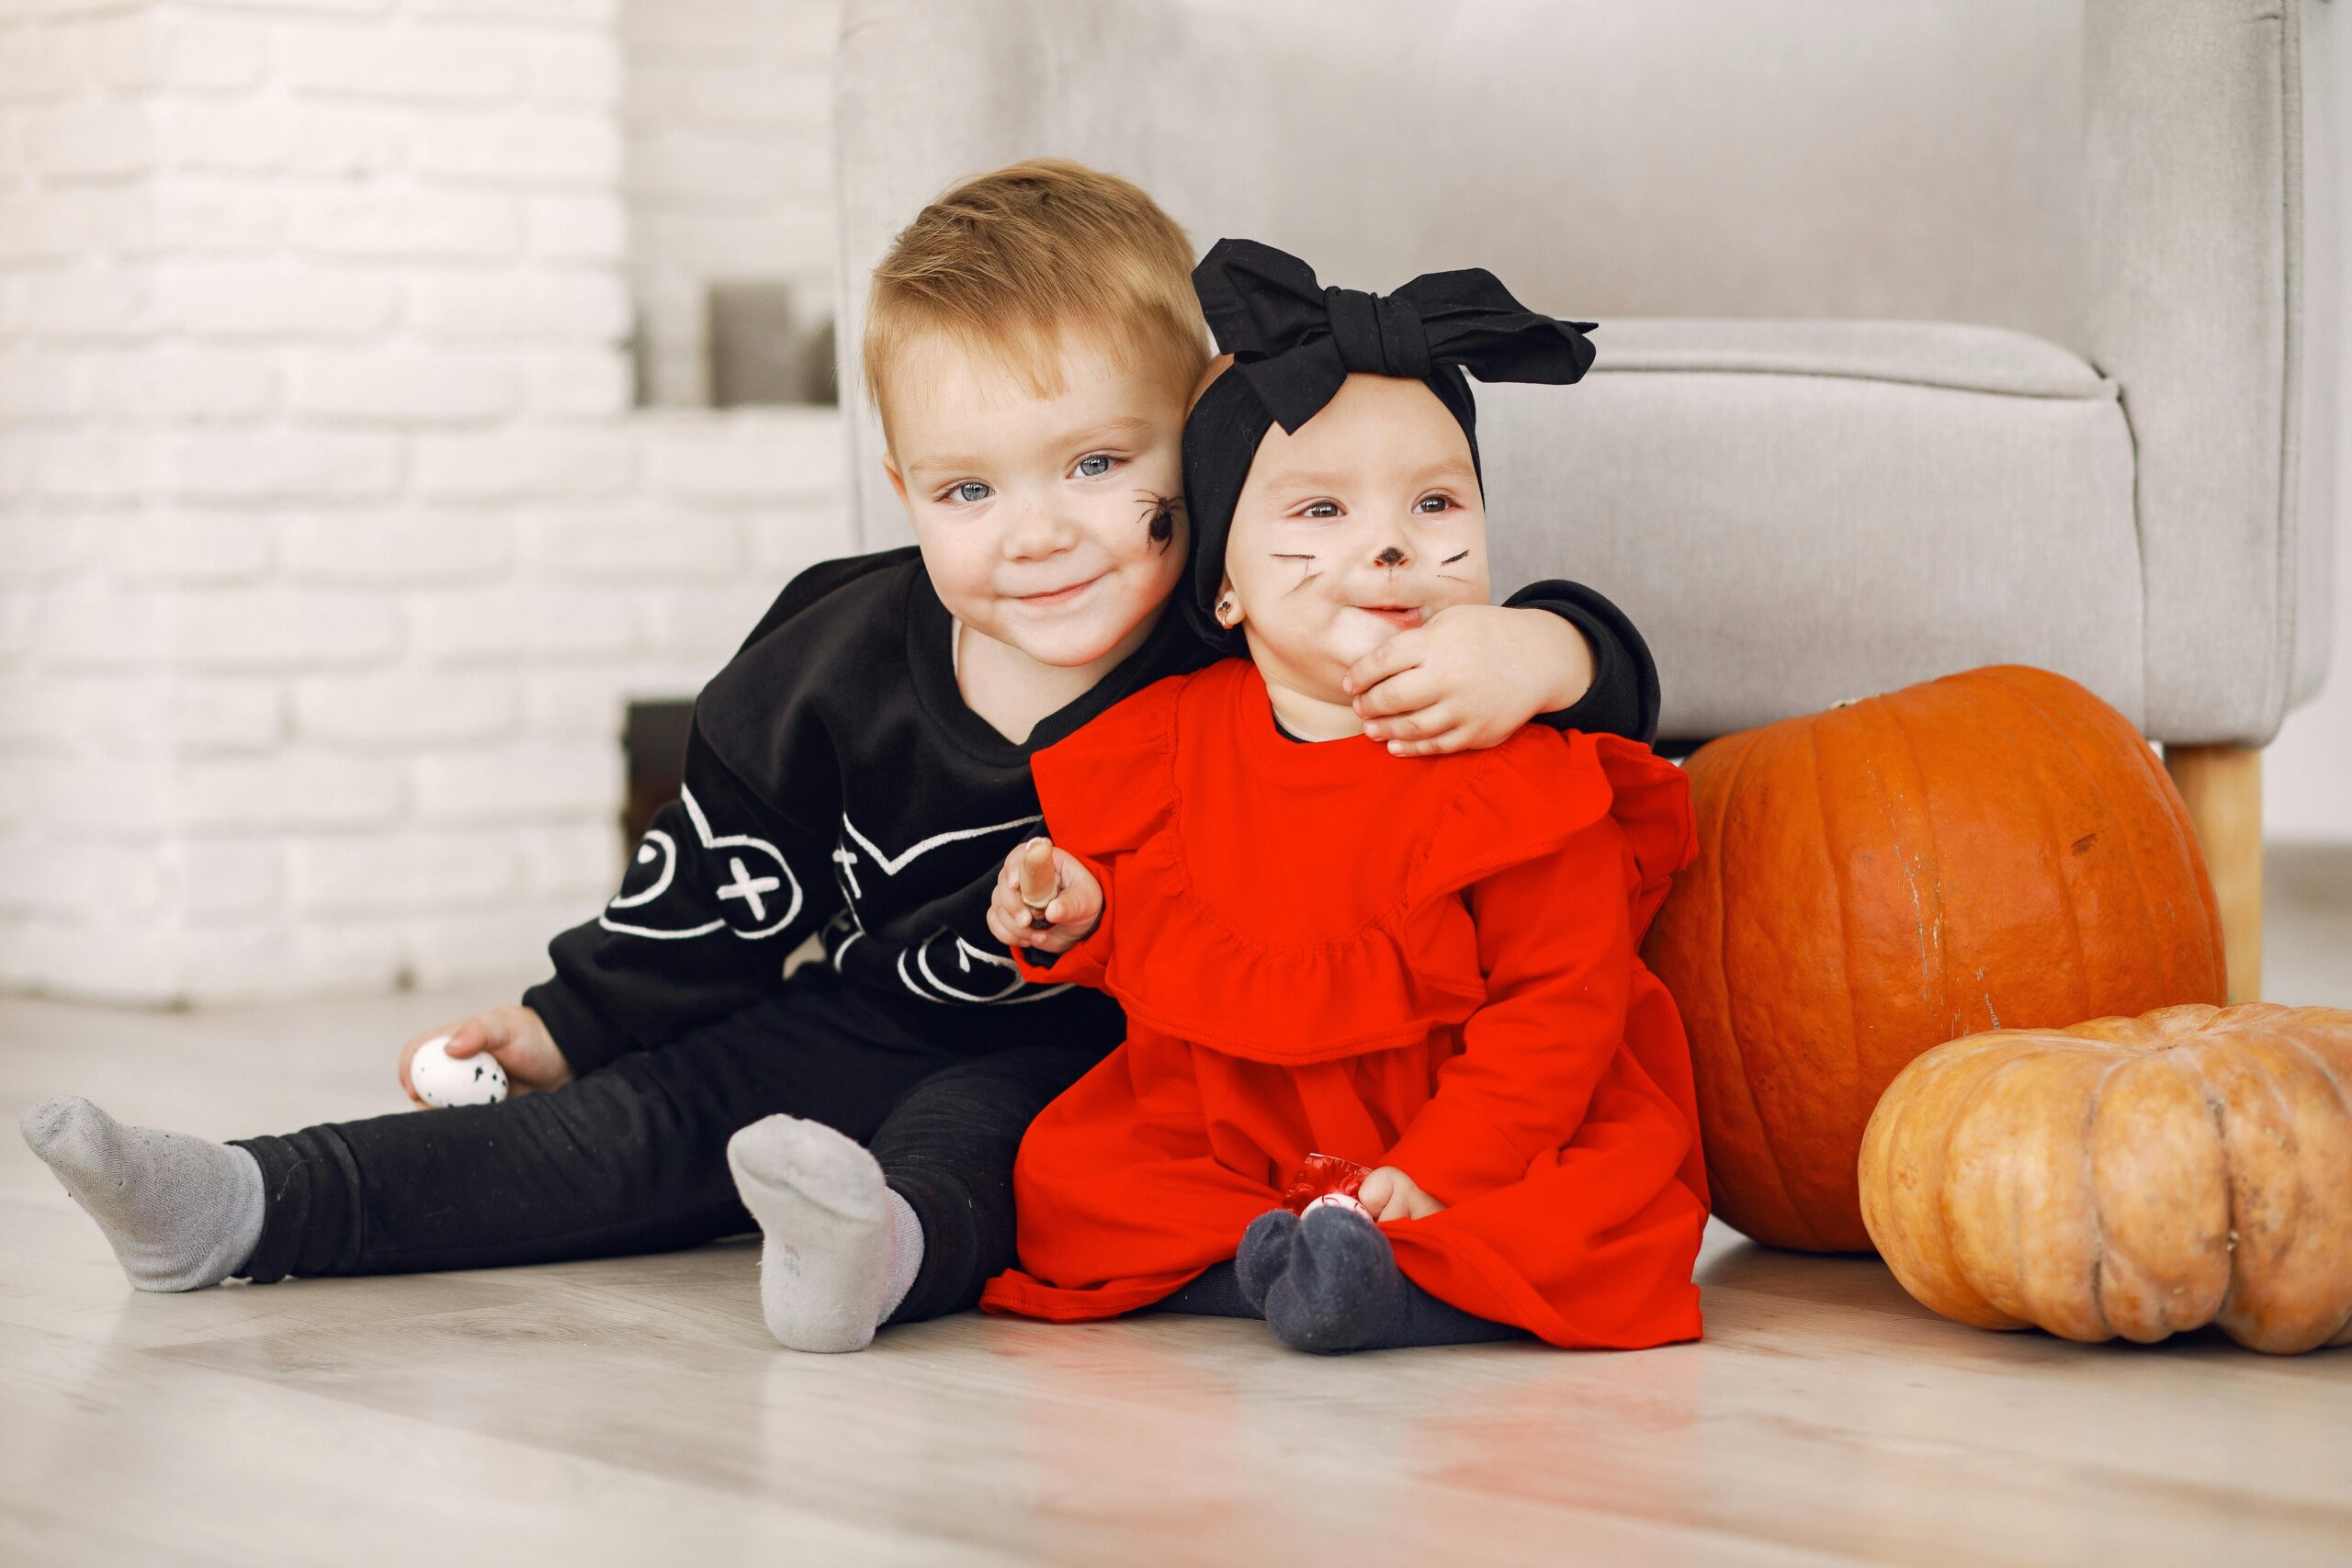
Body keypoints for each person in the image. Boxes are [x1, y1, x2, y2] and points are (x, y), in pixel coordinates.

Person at [20, 167, 1660, 1356]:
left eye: (1098, 463)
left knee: (985, 1138)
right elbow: (726, 875)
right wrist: (564, 1018)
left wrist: (1547, 642)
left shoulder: (1230, 640)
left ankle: (863, 1258)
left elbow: (1493, 690)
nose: (1041, 534)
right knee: (634, 1126)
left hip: (1096, 1044)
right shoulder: (834, 655)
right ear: (900, 484)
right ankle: (244, 1201)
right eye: (969, 491)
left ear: (1207, 459)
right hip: (846, 1005)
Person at [976, 239, 1709, 1353]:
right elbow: (1155, 933)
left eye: (1434, 503)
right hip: (1236, 1135)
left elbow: (1560, 1009)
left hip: (1471, 1132)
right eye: (1321, 512)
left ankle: (1388, 1277)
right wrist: (1069, 912)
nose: (1390, 544)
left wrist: (1440, 1167)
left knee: (1599, 1212)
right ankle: (1285, 1265)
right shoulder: (1171, 745)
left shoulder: (1513, 761)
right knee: (1072, 1175)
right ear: (1224, 584)